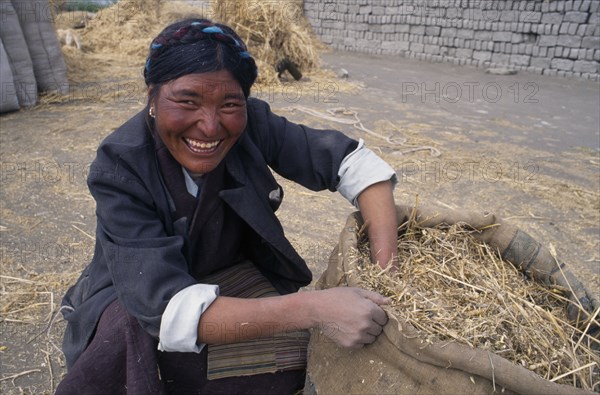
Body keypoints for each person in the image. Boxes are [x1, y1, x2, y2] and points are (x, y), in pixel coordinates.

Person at [56, 18, 398, 394]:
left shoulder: (252, 123)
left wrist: (385, 275)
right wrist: (314, 309)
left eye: (229, 103)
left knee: (298, 363)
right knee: (133, 360)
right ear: (152, 96)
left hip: (223, 277)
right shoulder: (120, 165)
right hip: (140, 295)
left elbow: (355, 167)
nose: (210, 126)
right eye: (187, 101)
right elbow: (169, 309)